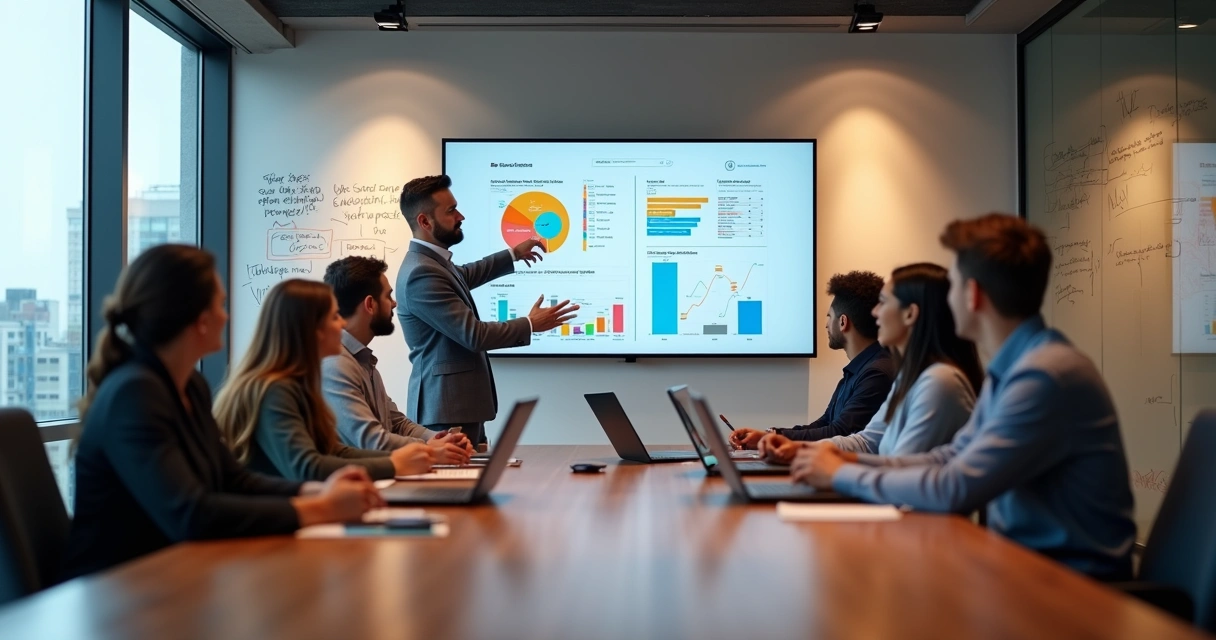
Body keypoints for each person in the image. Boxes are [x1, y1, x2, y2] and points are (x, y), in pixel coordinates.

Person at [792, 214, 1137, 580]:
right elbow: (950, 457)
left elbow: (956, 486)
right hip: (1027, 570)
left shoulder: (1043, 376)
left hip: (1072, 588)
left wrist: (843, 474)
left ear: (972, 295)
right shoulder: (1016, 368)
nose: (946, 298)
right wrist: (840, 461)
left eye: (952, 285)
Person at [61, 245, 379, 580]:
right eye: (220, 305)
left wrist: (316, 490)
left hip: (171, 575)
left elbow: (233, 480)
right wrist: (320, 509)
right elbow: (191, 514)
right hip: (116, 591)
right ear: (199, 320)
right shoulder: (134, 394)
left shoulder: (191, 386)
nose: (226, 316)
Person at [214, 279, 461, 482]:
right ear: (311, 329)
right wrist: (395, 464)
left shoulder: (300, 384)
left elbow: (333, 451)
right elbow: (308, 467)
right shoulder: (275, 389)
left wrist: (418, 453)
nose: (342, 323)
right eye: (334, 317)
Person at [396, 175, 578, 447]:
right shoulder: (421, 273)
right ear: (424, 221)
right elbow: (474, 335)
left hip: (456, 405)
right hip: (445, 410)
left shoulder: (431, 264)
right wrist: (530, 324)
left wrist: (513, 254)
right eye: (451, 211)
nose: (461, 216)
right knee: (452, 488)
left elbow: (465, 275)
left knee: (471, 481)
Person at [758, 263, 982, 465]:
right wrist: (798, 449)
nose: (875, 313)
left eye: (883, 303)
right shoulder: (908, 378)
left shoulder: (939, 382)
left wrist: (833, 472)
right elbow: (867, 443)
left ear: (910, 314)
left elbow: (899, 470)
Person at [321, 256, 473, 458]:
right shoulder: (336, 364)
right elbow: (370, 441)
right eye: (388, 296)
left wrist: (439, 439)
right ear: (370, 304)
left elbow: (397, 423)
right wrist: (430, 449)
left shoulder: (362, 360)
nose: (394, 304)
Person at [729, 271, 895, 449]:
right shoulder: (860, 369)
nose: (825, 325)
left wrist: (773, 438)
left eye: (829, 317)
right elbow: (825, 423)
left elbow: (840, 432)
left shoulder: (876, 374)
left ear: (843, 322)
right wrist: (771, 435)